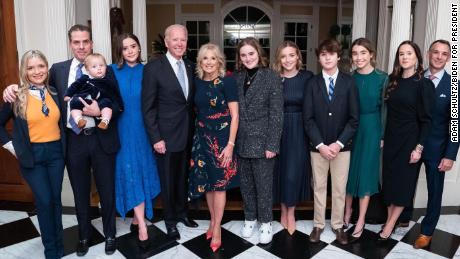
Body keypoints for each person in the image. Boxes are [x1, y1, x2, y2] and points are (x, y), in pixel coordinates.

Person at [3, 24, 123, 256]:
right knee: (79, 192)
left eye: (85, 41)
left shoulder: (103, 69)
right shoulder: (57, 70)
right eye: (76, 42)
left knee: (107, 190)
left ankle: (110, 235)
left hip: (101, 138)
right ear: (70, 44)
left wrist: (100, 110)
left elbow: (119, 105)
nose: (81, 46)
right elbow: (37, 91)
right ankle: (84, 236)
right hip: (73, 142)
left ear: (91, 43)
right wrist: (11, 87)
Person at [0, 50, 66, 259]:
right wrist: (12, 147)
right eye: (30, 67)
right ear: (24, 71)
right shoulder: (16, 96)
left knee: (55, 199)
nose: (36, 71)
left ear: (47, 68)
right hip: (32, 156)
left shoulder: (55, 92)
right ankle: (51, 251)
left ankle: (59, 243)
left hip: (56, 153)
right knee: (44, 200)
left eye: (40, 66)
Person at [142, 24, 198, 241]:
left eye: (183, 39)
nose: (179, 43)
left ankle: (183, 213)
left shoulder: (191, 66)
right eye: (175, 39)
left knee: (183, 178)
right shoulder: (154, 68)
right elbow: (147, 108)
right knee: (167, 180)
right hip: (164, 137)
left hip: (187, 134)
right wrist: (156, 138)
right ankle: (170, 220)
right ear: (166, 42)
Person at [303, 39, 359, 245]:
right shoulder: (312, 83)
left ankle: (337, 225)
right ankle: (318, 224)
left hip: (341, 149)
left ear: (338, 56)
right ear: (319, 58)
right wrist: (320, 144)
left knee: (339, 188)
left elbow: (354, 119)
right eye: (323, 54)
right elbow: (307, 119)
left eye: (331, 53)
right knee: (318, 186)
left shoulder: (349, 82)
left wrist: (338, 144)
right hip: (317, 148)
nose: (327, 57)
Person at [380, 41, 435, 241]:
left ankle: (389, 225)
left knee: (403, 186)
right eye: (401, 54)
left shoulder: (423, 83)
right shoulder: (393, 80)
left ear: (417, 58)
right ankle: (390, 221)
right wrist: (384, 137)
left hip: (410, 140)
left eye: (409, 53)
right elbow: (388, 114)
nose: (404, 57)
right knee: (389, 184)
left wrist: (418, 148)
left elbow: (427, 120)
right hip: (392, 139)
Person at [111, 33, 161, 248]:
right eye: (125, 48)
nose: (130, 51)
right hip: (121, 129)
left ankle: (137, 214)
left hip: (144, 130)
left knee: (142, 170)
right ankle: (141, 223)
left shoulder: (149, 70)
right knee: (129, 171)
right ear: (119, 51)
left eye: (133, 46)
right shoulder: (111, 70)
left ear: (139, 48)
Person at [188, 43, 239, 252]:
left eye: (213, 58)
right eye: (204, 59)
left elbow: (235, 115)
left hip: (222, 139)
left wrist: (230, 145)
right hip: (202, 138)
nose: (209, 62)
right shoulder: (197, 82)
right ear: (200, 62)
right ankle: (212, 221)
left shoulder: (227, 81)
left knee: (219, 184)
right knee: (208, 183)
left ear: (219, 60)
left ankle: (217, 228)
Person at [235, 37, 283, 244]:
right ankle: (250, 218)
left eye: (251, 54)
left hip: (263, 141)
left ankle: (266, 222)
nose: (247, 58)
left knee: (263, 185)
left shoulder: (271, 77)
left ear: (258, 53)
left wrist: (272, 144)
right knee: (246, 185)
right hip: (242, 140)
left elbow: (276, 114)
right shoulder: (236, 78)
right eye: (243, 55)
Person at [412, 39, 459, 249]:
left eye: (444, 54)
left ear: (448, 58)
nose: (439, 57)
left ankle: (427, 231)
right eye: (436, 52)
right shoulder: (415, 79)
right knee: (405, 182)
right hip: (411, 145)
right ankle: (402, 217)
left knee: (435, 191)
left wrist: (450, 155)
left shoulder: (453, 86)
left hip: (437, 149)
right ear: (429, 54)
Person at [344, 38, 388, 242]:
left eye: (363, 52)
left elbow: (385, 110)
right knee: (348, 170)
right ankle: (347, 212)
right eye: (355, 53)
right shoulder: (349, 78)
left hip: (372, 128)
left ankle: (360, 219)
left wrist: (382, 135)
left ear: (371, 54)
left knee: (366, 172)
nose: (359, 57)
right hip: (351, 127)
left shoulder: (382, 78)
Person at [272, 41, 313, 235]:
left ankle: (291, 212)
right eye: (283, 56)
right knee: (279, 170)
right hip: (278, 128)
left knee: (294, 171)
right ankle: (282, 210)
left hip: (300, 128)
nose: (287, 60)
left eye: (291, 55)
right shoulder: (273, 78)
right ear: (279, 59)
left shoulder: (307, 77)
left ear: (298, 56)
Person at [64, 53, 119, 130]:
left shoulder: (107, 80)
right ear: (87, 70)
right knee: (74, 102)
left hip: (101, 100)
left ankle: (105, 121)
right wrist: (68, 94)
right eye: (94, 67)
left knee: (107, 103)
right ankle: (79, 120)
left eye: (101, 65)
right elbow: (74, 86)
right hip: (85, 98)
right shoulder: (84, 78)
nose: (99, 68)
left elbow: (115, 95)